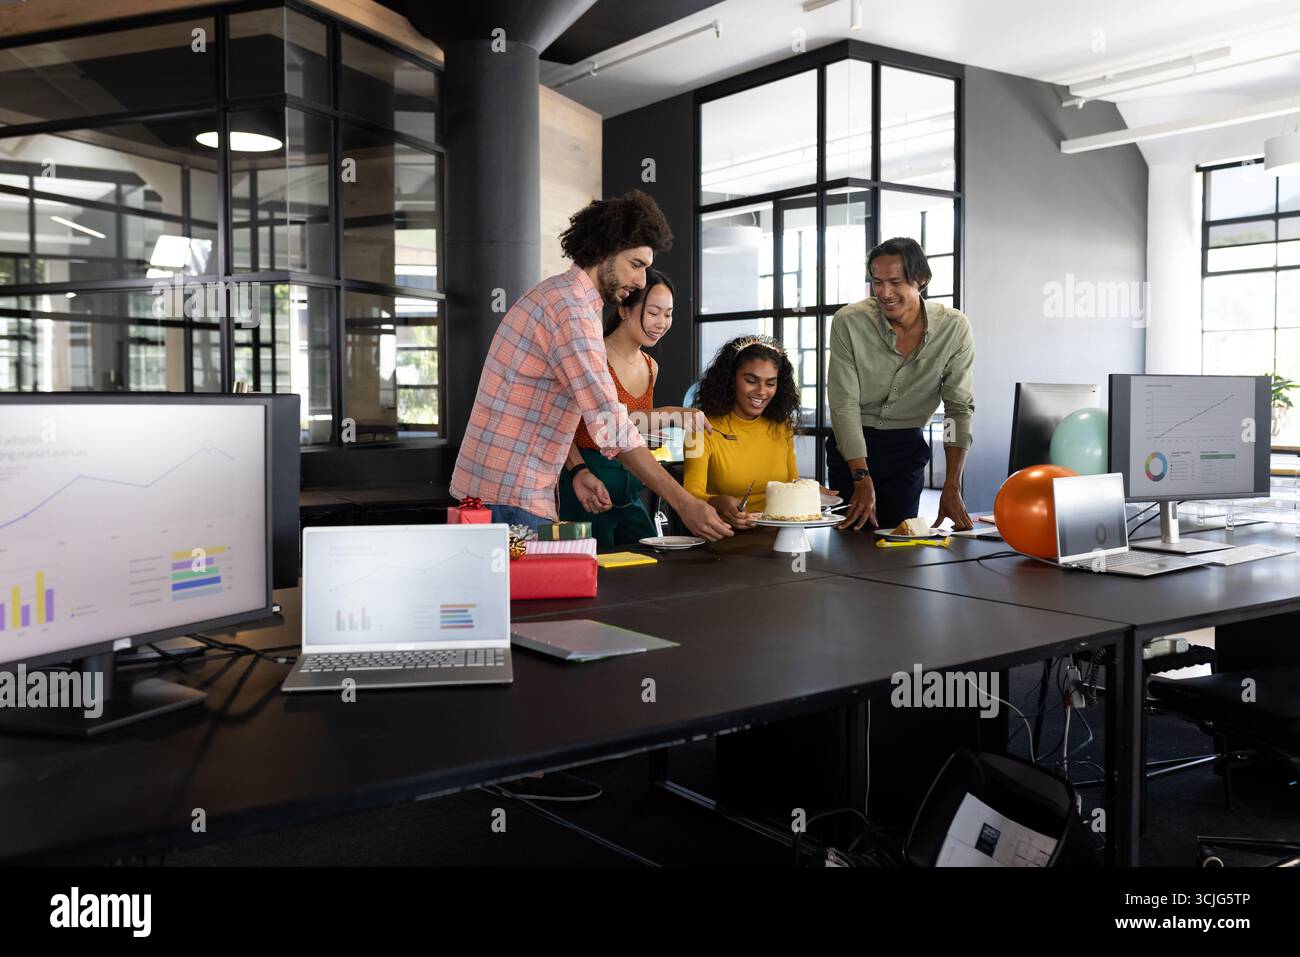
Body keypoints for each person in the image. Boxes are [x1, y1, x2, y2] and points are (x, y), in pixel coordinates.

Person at [450, 191, 731, 541]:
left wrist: (578, 471)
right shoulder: (572, 313)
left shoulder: (556, 296)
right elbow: (612, 427)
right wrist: (683, 502)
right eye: (636, 265)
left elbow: (547, 407)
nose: (642, 281)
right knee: (533, 596)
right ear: (605, 250)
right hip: (511, 497)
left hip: (499, 491)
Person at [827, 237, 975, 532]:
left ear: (921, 280)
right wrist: (860, 477)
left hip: (906, 449)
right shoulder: (849, 322)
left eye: (895, 282)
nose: (884, 293)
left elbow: (957, 409)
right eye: (877, 282)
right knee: (850, 546)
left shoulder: (954, 328)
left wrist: (952, 484)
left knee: (899, 544)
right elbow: (844, 406)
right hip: (852, 447)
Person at [557, 270, 709, 547]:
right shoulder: (593, 357)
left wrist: (652, 438)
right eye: (653, 312)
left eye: (668, 314)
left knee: (647, 565)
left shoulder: (651, 367)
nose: (661, 323)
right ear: (625, 309)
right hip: (587, 484)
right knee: (594, 572)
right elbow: (563, 424)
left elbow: (630, 431)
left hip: (629, 487)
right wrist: (672, 414)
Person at [683, 335, 829, 527]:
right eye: (751, 380)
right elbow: (690, 494)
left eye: (770, 383)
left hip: (782, 534)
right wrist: (717, 502)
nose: (762, 391)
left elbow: (791, 482)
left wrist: (808, 490)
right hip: (724, 536)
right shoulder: (699, 428)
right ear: (731, 379)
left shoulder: (781, 425)